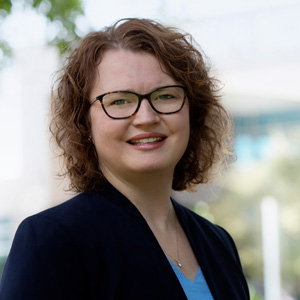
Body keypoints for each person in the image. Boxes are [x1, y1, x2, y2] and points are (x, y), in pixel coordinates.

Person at [0, 18, 250, 299]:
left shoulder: (219, 243)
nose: (147, 117)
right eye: (119, 100)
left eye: (166, 96)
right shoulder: (52, 240)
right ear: (85, 124)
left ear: (193, 112)